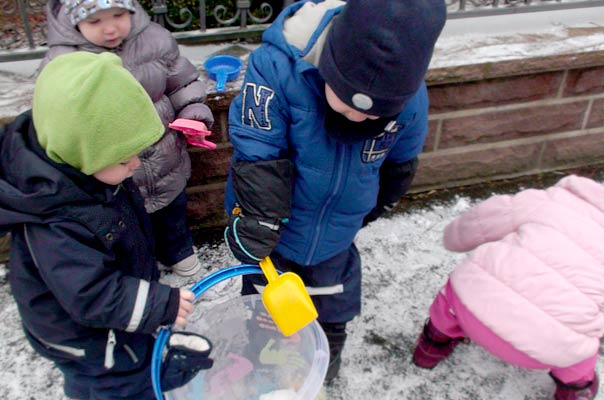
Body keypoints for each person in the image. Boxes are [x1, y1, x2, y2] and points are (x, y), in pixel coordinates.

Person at [223, 0, 447, 382]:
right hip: (273, 230)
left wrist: (385, 197)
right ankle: (262, 357)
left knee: (333, 299)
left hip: (336, 232)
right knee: (266, 305)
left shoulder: (412, 98)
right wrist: (260, 218)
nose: (358, 118)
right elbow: (259, 146)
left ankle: (325, 358)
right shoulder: (278, 66)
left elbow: (401, 158)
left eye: (375, 114)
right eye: (346, 103)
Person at [0, 52, 213, 400]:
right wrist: (157, 305)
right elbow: (89, 293)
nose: (134, 165)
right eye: (123, 158)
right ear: (80, 153)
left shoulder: (90, 173)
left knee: (131, 360)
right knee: (115, 385)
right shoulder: (56, 222)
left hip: (112, 316)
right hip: (87, 339)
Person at [40, 0, 215, 277]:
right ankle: (141, 271)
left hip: (165, 156)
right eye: (95, 21)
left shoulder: (155, 39)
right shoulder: (63, 60)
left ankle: (179, 252)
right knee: (126, 226)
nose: (110, 28)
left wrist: (193, 113)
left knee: (172, 212)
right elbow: (57, 114)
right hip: (113, 169)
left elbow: (182, 82)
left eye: (119, 15)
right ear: (74, 23)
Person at [412, 175, 604, 400]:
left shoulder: (550, 202)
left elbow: (483, 221)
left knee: (458, 289)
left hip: (471, 309)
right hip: (548, 350)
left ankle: (430, 348)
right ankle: (576, 390)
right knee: (580, 352)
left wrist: (454, 237)